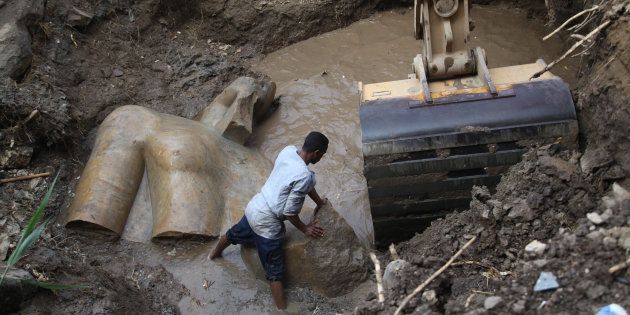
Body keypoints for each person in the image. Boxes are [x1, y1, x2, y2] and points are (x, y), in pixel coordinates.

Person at [208, 131, 329, 309]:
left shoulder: (289, 151)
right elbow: (289, 212)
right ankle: (281, 309)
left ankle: (213, 255)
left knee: (233, 234)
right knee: (275, 272)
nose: (322, 158)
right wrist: (305, 229)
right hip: (267, 222)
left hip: (255, 205)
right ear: (317, 153)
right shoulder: (304, 175)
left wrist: (319, 202)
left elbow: (301, 183)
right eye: (323, 154)